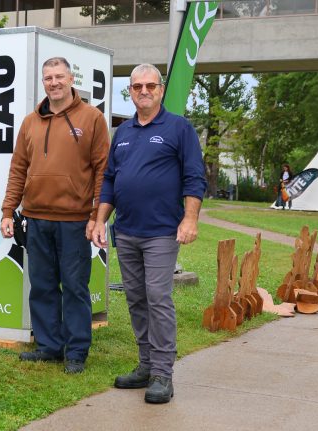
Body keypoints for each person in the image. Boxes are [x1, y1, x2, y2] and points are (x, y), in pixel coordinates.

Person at [92, 63, 206, 404]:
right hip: (126, 231)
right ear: (130, 91)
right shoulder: (123, 132)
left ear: (160, 89)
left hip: (160, 232)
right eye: (137, 86)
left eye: (150, 86)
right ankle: (145, 366)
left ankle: (162, 375)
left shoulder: (179, 128)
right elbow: (110, 179)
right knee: (137, 300)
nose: (144, 91)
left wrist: (190, 220)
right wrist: (100, 220)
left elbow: (194, 177)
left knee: (157, 298)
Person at [0, 57, 110, 374]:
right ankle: (49, 345)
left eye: (59, 76)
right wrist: (9, 210)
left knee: (75, 287)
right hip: (35, 218)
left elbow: (103, 171)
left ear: (70, 78)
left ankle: (76, 351)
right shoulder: (30, 123)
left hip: (75, 220)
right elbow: (18, 169)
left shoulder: (92, 119)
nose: (54, 82)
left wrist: (96, 215)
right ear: (43, 82)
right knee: (43, 285)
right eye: (48, 77)